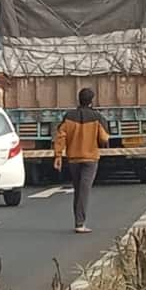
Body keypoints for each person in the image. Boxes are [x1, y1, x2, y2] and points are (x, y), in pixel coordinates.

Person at [54, 88, 109, 233]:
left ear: (79, 99)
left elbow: (60, 136)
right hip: (90, 158)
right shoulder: (97, 117)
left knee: (78, 189)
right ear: (92, 101)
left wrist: (58, 156)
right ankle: (80, 223)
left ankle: (78, 221)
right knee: (84, 190)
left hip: (73, 159)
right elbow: (104, 138)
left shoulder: (69, 116)